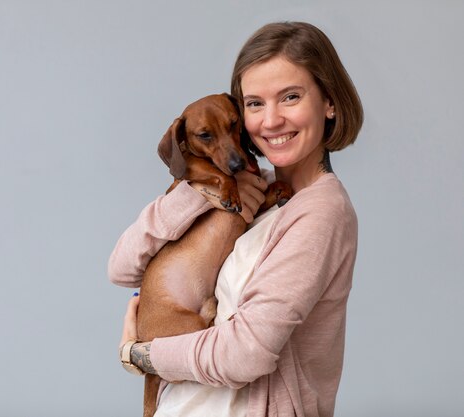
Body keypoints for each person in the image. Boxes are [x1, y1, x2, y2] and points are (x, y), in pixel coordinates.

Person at [108, 21, 363, 417]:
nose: (271, 120)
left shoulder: (321, 213)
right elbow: (123, 267)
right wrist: (200, 194)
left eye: (291, 97)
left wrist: (141, 354)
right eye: (255, 103)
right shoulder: (251, 191)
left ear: (329, 103)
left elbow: (244, 356)